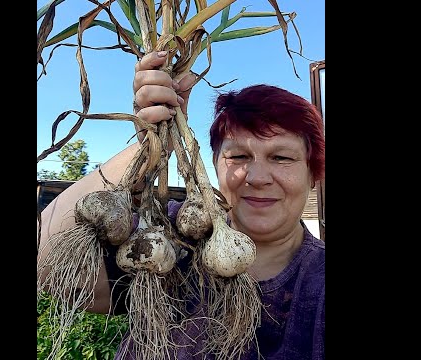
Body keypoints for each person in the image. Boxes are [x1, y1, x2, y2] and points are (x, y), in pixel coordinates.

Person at [38, 50, 325, 360]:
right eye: (238, 157)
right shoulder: (169, 233)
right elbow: (46, 264)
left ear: (314, 174)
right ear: (214, 165)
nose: (256, 177)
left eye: (281, 157)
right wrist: (150, 145)